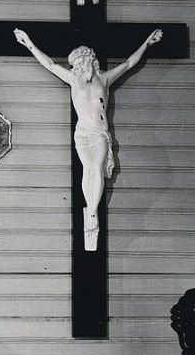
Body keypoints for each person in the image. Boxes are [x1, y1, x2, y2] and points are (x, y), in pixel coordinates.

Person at [14, 27, 163, 250]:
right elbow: (50, 65)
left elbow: (129, 63)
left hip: (99, 132)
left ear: (88, 60)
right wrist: (28, 43)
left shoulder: (104, 79)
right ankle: (90, 210)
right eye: (74, 65)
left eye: (79, 62)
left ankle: (92, 210)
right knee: (87, 168)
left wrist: (147, 43)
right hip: (83, 133)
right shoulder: (74, 80)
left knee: (96, 167)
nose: (77, 67)